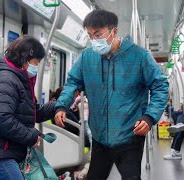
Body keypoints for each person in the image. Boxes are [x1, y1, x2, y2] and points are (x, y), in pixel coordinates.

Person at [54, 9, 169, 180]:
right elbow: (72, 83)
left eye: (98, 35)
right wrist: (62, 105)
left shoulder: (139, 56)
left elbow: (160, 86)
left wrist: (150, 117)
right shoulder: (87, 57)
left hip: (130, 135)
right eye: (90, 35)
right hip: (100, 136)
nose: (94, 40)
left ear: (114, 31)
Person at [0, 36, 56, 180]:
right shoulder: (5, 79)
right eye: (35, 62)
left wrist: (58, 106)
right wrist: (31, 136)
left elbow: (33, 112)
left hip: (4, 151)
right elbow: (2, 120)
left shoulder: (18, 79)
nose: (36, 67)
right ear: (24, 57)